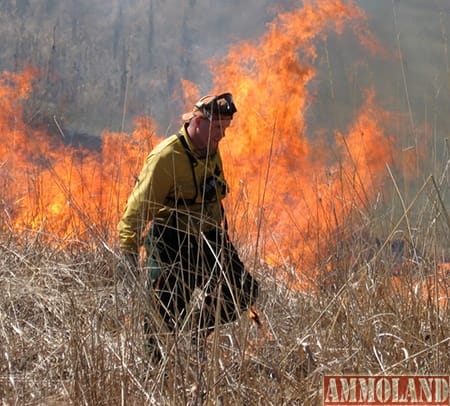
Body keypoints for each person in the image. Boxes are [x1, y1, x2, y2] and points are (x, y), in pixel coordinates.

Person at [117, 92, 259, 360]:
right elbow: (138, 208)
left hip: (208, 238)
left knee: (242, 289)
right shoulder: (166, 157)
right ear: (197, 122)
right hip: (171, 240)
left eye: (225, 128)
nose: (222, 135)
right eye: (217, 127)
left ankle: (194, 335)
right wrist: (128, 253)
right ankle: (155, 371)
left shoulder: (211, 149)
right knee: (165, 313)